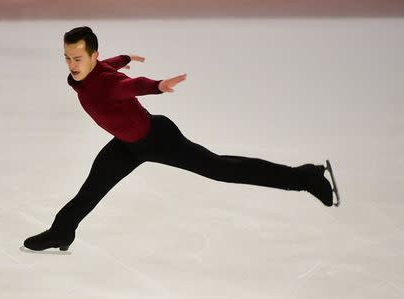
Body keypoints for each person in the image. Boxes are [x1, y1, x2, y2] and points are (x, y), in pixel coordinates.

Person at [23, 26, 339, 252]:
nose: (71, 65)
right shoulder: (88, 72)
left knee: (222, 169)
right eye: (67, 57)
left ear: (92, 55)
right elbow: (109, 66)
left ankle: (307, 178)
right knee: (91, 188)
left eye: (77, 58)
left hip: (158, 138)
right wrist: (124, 56)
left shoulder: (106, 83)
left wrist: (157, 85)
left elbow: (128, 86)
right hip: (128, 145)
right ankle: (61, 232)